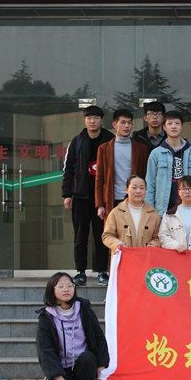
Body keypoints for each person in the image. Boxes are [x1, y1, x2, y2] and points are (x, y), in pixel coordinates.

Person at [36, 272, 109, 380]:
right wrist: (57, 376)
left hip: (82, 365)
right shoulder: (46, 317)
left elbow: (99, 337)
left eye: (70, 285)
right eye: (61, 286)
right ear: (52, 290)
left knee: (88, 357)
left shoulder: (84, 309)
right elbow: (45, 350)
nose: (66, 289)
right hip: (62, 368)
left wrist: (101, 364)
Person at [94, 109, 149, 284]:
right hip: (113, 199)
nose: (126, 126)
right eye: (122, 122)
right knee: (113, 238)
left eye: (129, 123)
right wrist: (100, 204)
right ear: (114, 125)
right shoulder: (104, 148)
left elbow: (145, 176)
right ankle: (111, 276)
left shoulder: (141, 148)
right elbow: (100, 178)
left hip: (135, 200)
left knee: (135, 236)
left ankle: (134, 275)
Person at [62, 105, 114, 286]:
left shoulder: (110, 140)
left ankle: (102, 271)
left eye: (96, 118)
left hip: (103, 197)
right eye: (89, 118)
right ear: (84, 120)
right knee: (80, 235)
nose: (92, 121)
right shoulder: (77, 141)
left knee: (102, 235)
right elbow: (68, 169)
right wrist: (67, 194)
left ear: (102, 120)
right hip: (81, 196)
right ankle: (80, 271)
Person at [145, 110, 191, 217]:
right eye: (170, 123)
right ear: (164, 127)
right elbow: (150, 185)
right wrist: (150, 212)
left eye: (177, 123)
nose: (173, 126)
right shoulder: (156, 154)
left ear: (182, 127)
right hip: (162, 211)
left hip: (189, 210)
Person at [102, 175, 161, 258]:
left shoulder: (153, 214)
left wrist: (152, 245)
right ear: (126, 190)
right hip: (123, 259)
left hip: (146, 259)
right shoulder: (116, 212)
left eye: (142, 188)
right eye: (134, 188)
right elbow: (107, 236)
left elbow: (158, 238)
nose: (138, 191)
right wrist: (117, 244)